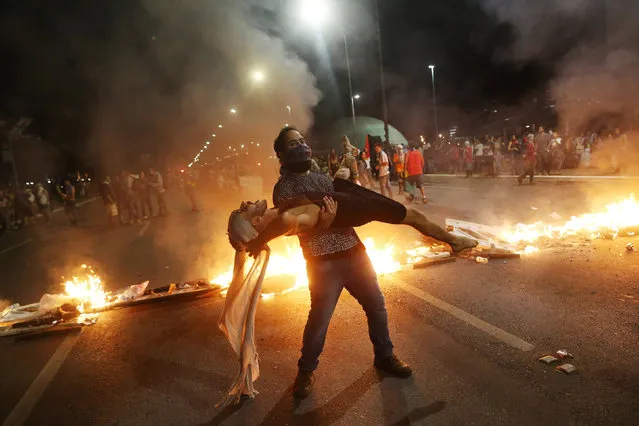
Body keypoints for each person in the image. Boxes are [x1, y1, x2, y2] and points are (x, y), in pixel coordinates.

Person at [221, 126, 415, 403]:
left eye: (302, 141)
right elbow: (297, 227)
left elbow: (346, 208)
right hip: (323, 263)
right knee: (319, 321)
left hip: (355, 252)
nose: (300, 146)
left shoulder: (322, 178)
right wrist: (325, 221)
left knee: (377, 305)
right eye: (292, 144)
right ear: (280, 154)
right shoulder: (284, 188)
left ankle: (384, 356)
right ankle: (305, 371)